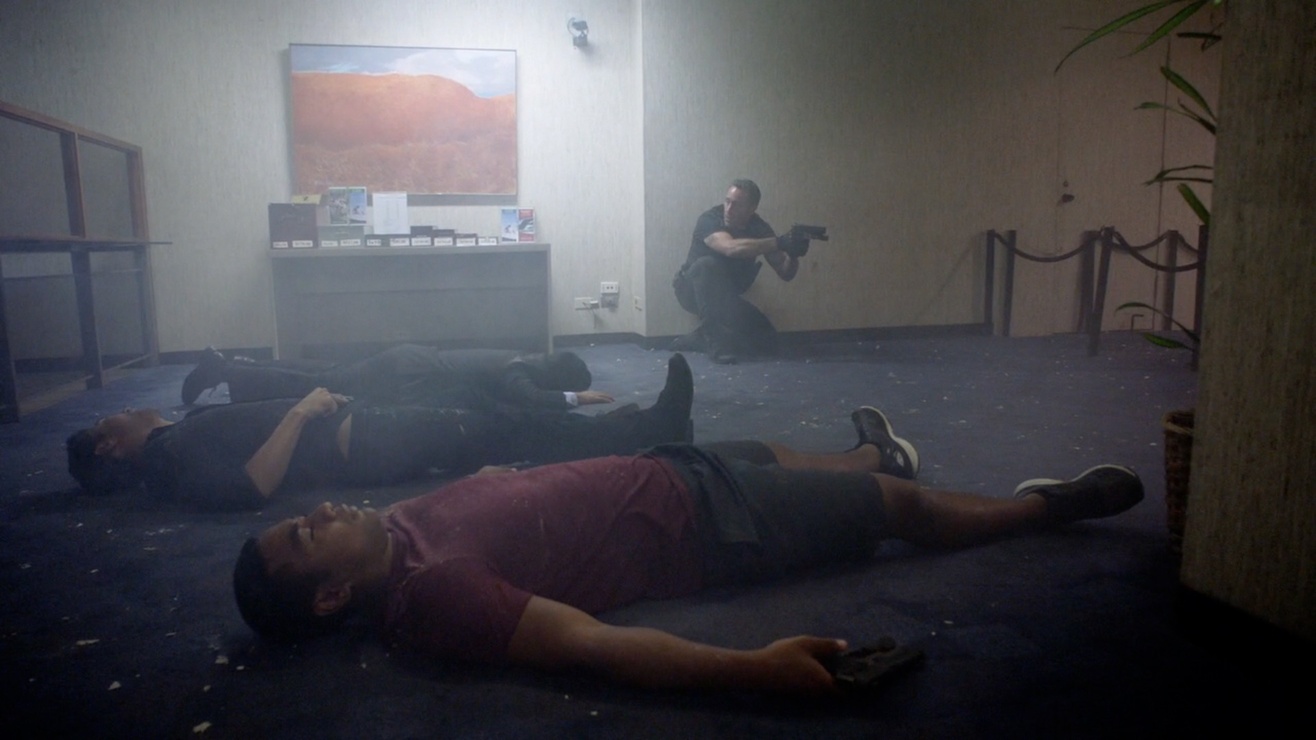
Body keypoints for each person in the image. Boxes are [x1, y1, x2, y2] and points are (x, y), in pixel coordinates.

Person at [231, 406, 1143, 695]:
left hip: (660, 471)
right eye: (305, 535)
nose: (317, 511)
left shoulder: (395, 530)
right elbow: (587, 643)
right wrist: (756, 669)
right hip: (708, 526)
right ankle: (1043, 509)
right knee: (898, 511)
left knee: (773, 450)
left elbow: (486, 494)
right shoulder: (432, 597)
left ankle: (873, 453)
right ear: (328, 597)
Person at [67, 354, 693, 511]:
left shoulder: (176, 438)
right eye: (104, 422)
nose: (119, 412)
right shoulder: (167, 460)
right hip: (364, 440)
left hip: (362, 422)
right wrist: (300, 413)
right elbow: (247, 488)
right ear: (109, 445)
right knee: (500, 430)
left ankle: (624, 429)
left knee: (495, 418)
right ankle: (650, 431)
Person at [181, 344, 613, 409]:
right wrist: (578, 398)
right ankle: (227, 370)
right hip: (403, 377)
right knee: (316, 386)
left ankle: (239, 367)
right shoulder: (516, 371)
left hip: (407, 362)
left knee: (324, 374)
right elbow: (531, 399)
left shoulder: (520, 357)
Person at [671, 178, 807, 364]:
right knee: (706, 265)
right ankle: (717, 346)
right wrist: (779, 242)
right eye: (727, 201)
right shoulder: (710, 219)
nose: (729, 209)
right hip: (691, 292)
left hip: (726, 297)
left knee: (768, 342)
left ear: (752, 209)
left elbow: (786, 273)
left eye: (736, 205)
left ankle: (699, 338)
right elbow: (730, 248)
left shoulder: (759, 227)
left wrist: (793, 253)